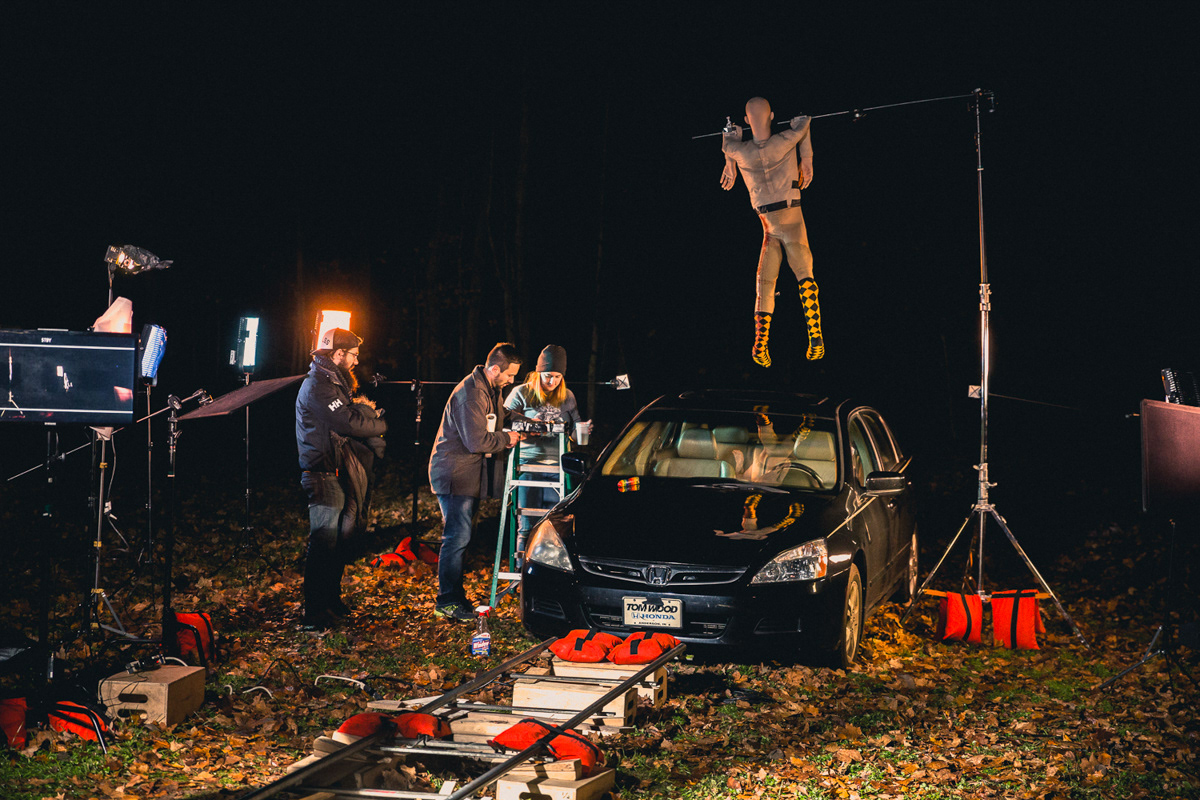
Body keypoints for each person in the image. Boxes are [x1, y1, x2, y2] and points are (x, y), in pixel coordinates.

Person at [296, 328, 387, 629]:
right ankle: (314, 614)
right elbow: (348, 422)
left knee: (337, 542)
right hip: (322, 474)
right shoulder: (318, 386)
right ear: (338, 354)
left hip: (334, 472)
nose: (356, 361)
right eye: (353, 355)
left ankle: (331, 602)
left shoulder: (332, 382)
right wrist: (379, 424)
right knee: (323, 543)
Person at [720, 96, 822, 366]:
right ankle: (815, 336)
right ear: (772, 116)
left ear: (746, 120)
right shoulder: (784, 141)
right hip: (790, 221)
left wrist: (730, 154)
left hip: (768, 227)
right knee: (804, 275)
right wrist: (807, 157)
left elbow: (728, 142)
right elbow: (803, 124)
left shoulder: (740, 151)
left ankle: (761, 343)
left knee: (764, 285)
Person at [428, 343, 524, 621]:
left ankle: (455, 597)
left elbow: (503, 414)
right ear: (494, 369)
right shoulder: (471, 394)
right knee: (456, 538)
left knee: (462, 536)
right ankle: (447, 601)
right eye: (509, 375)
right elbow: (477, 441)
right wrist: (507, 438)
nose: (511, 380)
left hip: (467, 474)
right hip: (454, 475)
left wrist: (529, 422)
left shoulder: (489, 389)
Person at [503, 345, 590, 560]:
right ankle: (522, 572)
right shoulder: (521, 393)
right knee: (526, 525)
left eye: (557, 377)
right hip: (528, 466)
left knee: (553, 529)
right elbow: (503, 425)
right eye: (548, 376)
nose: (552, 381)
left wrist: (582, 431)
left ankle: (549, 571)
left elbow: (574, 431)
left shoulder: (567, 396)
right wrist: (528, 428)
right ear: (538, 373)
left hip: (557, 468)